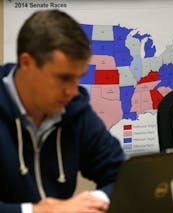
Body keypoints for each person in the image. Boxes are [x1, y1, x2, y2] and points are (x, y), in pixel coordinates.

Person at [0, 10, 125, 213]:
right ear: (26, 64)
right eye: (63, 78)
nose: (73, 91)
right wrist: (37, 211)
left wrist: (90, 202)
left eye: (78, 78)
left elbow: (123, 175)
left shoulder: (74, 109)